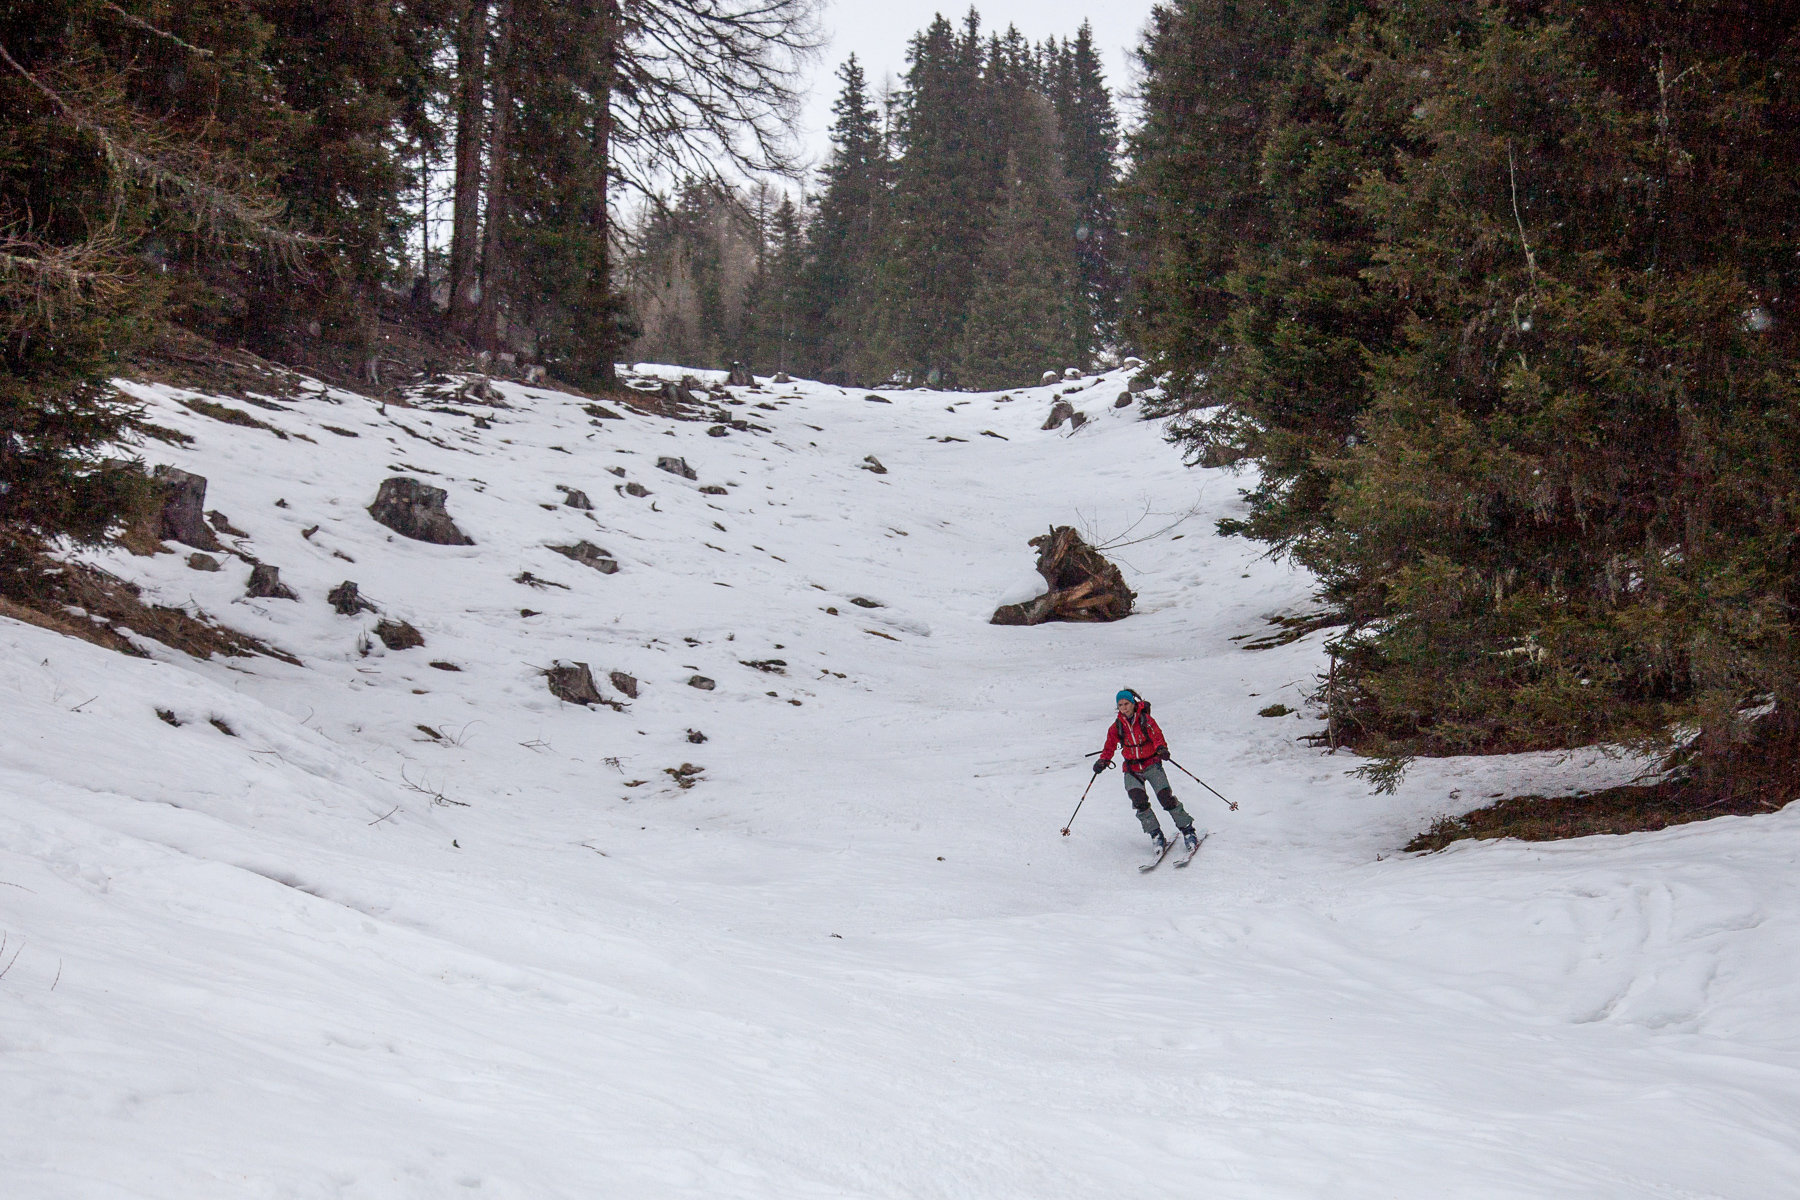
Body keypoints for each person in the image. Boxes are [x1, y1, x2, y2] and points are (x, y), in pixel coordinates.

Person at [1094, 689, 1199, 853]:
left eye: (1126, 704)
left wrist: (1162, 748)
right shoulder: (1116, 727)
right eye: (1120, 705)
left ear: (1133, 703)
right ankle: (1156, 835)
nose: (1124, 708)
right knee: (1139, 802)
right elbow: (1109, 746)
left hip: (1151, 763)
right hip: (1132, 768)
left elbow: (1157, 736)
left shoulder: (1146, 720)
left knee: (1166, 798)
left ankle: (1187, 830)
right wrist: (1103, 760)